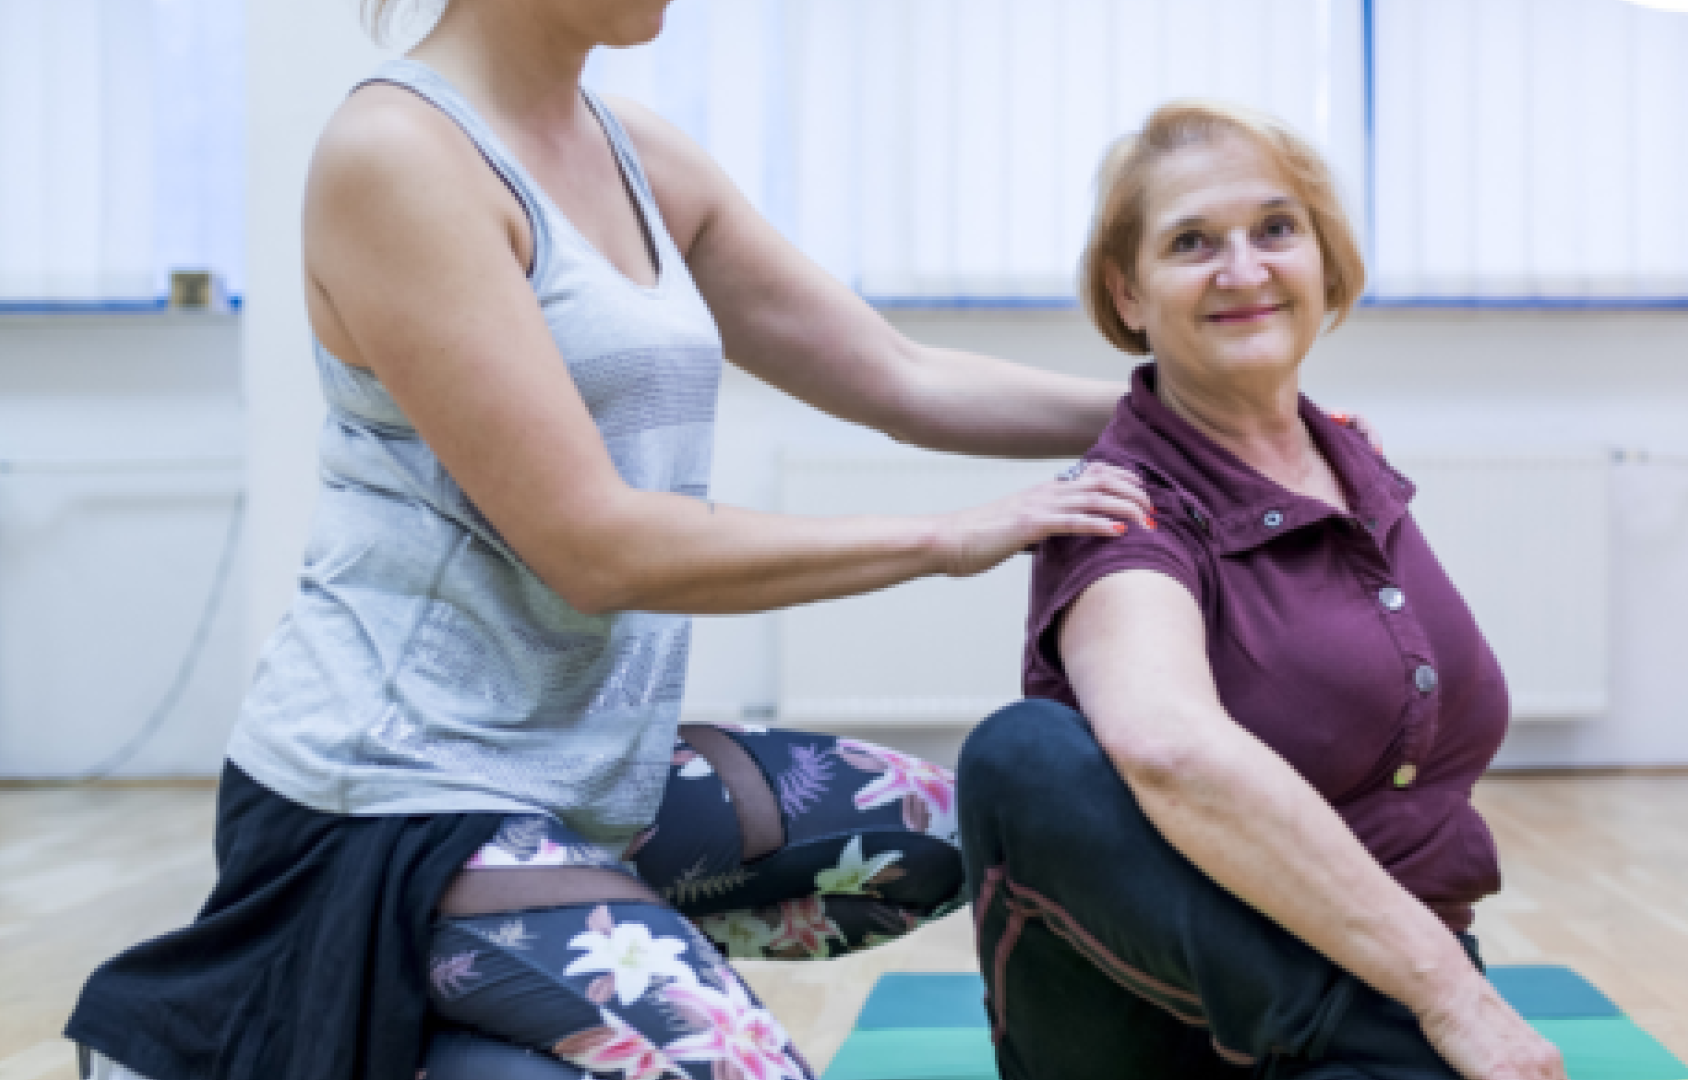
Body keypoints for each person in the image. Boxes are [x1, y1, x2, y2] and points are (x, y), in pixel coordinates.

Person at [61, 1, 1160, 1078]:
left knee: (947, 836)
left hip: (594, 775)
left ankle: (500, 978)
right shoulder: (398, 157)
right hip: (397, 801)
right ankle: (276, 1018)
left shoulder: (638, 154)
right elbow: (596, 548)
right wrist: (950, 536)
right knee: (743, 1069)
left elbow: (900, 377)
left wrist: (1186, 411)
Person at [956, 102, 1569, 1080]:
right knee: (1023, 753)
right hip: (1203, 1026)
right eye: (1191, 242)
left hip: (1404, 985)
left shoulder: (1351, 463)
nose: (1243, 270)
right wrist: (1449, 999)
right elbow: (1166, 745)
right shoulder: (1124, 504)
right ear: (1127, 294)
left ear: (1324, 260)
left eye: (1275, 229)